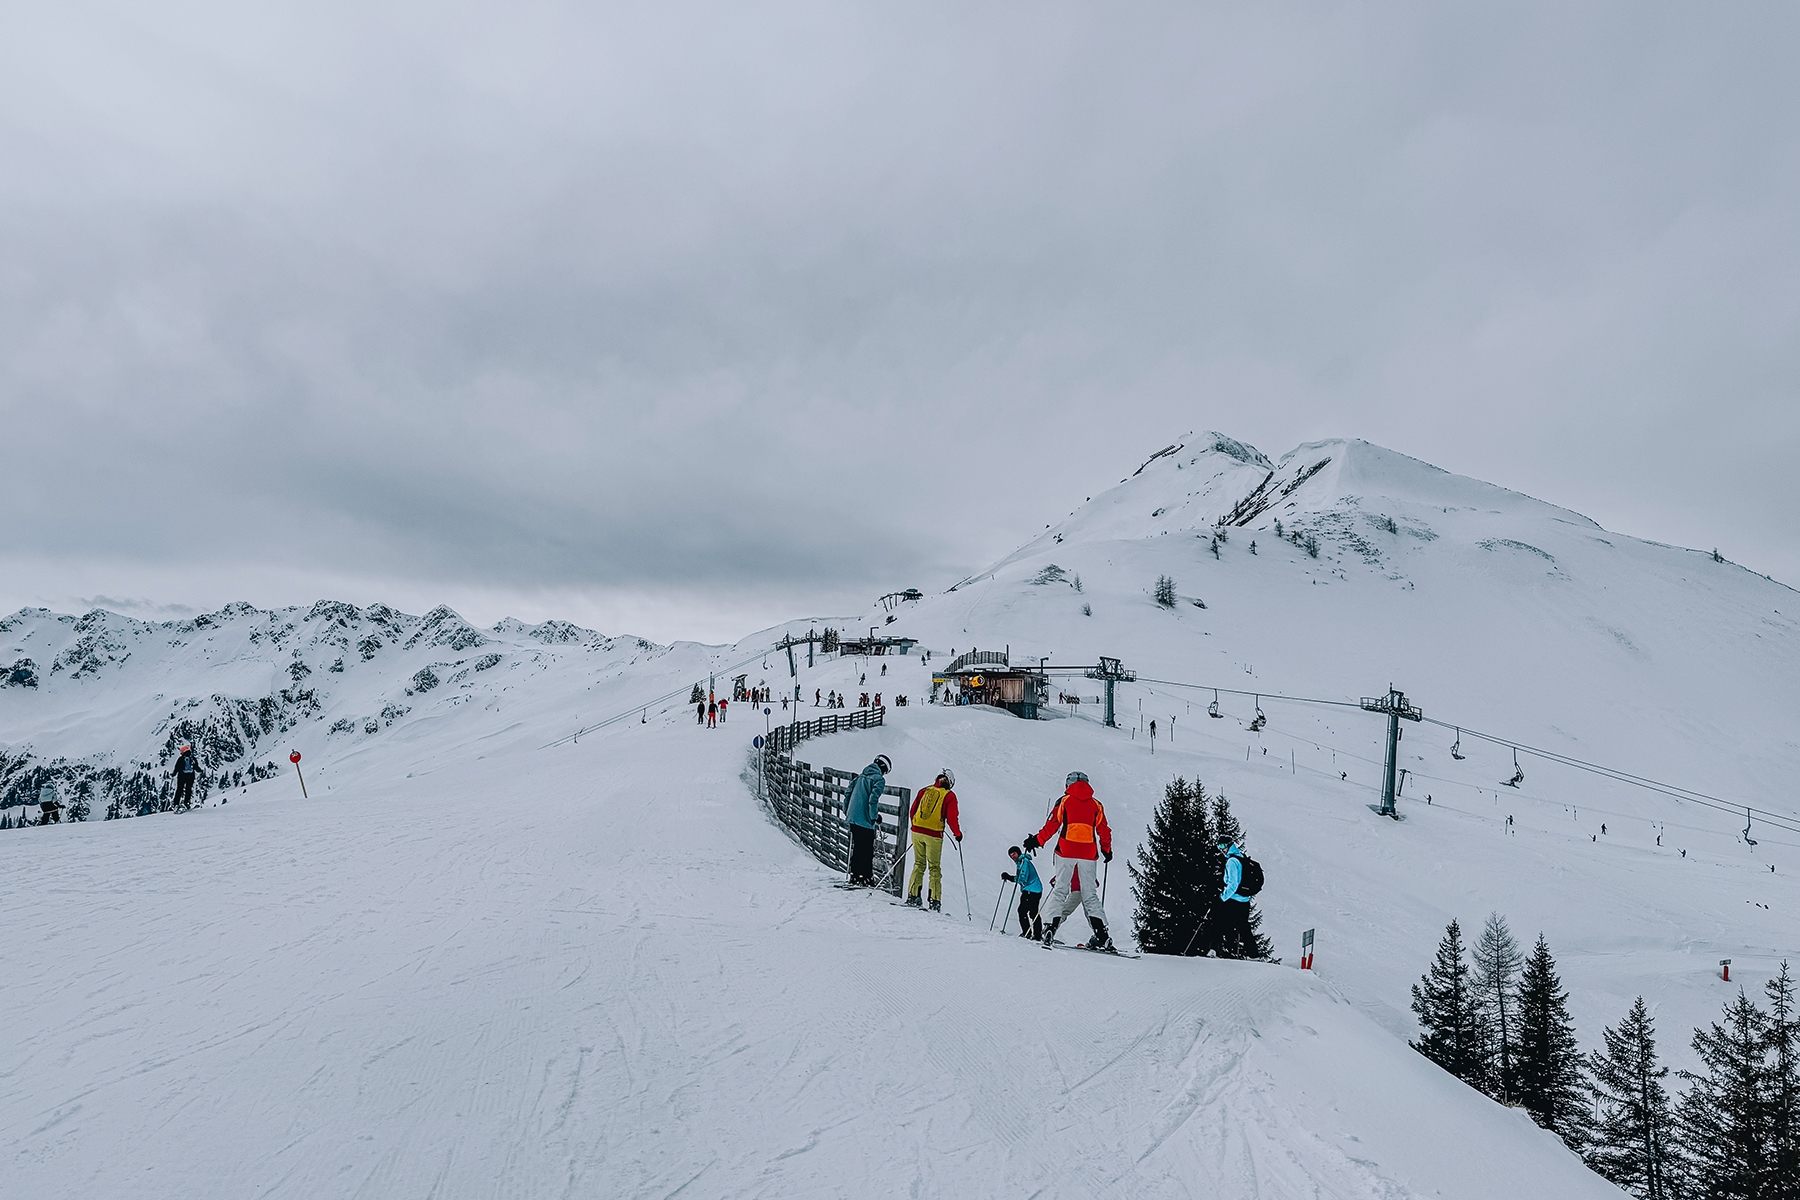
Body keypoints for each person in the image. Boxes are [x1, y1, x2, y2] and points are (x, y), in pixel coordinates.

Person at [1025, 770, 1114, 950]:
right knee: (1090, 894)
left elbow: (1051, 825)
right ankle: (1102, 935)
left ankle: (1049, 928)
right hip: (1089, 854)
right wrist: (1107, 850)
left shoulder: (1064, 801)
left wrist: (1037, 840)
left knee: (1060, 890)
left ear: (1068, 784)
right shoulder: (1096, 805)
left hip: (1065, 851)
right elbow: (1104, 830)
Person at [905, 769, 962, 910]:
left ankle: (913, 895)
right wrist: (957, 834)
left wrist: (917, 826)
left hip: (917, 831)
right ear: (950, 782)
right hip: (934, 835)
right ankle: (934, 900)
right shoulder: (949, 796)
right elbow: (952, 817)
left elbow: (913, 811)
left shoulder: (924, 790)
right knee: (934, 867)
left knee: (919, 864)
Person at [845, 754, 892, 886]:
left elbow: (848, 792)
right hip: (865, 820)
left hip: (853, 817)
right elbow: (873, 799)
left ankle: (854, 875)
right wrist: (874, 817)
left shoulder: (860, 776)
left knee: (857, 846)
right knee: (866, 850)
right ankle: (866, 877)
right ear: (883, 768)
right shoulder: (879, 780)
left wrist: (847, 811)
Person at [1216, 842, 1253, 959]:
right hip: (1244, 900)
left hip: (1233, 900)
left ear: (1229, 846)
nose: (1221, 850)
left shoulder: (1232, 861)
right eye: (1219, 847)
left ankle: (1217, 950)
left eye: (1223, 846)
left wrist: (1223, 897)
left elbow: (1233, 884)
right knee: (1243, 926)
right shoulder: (1241, 858)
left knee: (1220, 923)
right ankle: (1253, 954)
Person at [1002, 845, 1043, 939]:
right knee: (1033, 912)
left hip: (1030, 890)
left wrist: (1010, 877)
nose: (1013, 857)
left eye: (1014, 854)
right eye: (1011, 856)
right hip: (1035, 889)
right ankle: (1037, 935)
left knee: (1022, 911)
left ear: (1018, 852)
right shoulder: (1021, 862)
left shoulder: (1024, 862)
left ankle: (1028, 933)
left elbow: (1023, 878)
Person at [173, 744, 199, 809]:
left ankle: (176, 804)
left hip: (182, 776)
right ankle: (186, 803)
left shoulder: (181, 759)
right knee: (188, 789)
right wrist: (200, 770)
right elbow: (196, 767)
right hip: (190, 776)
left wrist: (174, 773)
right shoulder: (192, 758)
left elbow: (177, 768)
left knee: (179, 789)